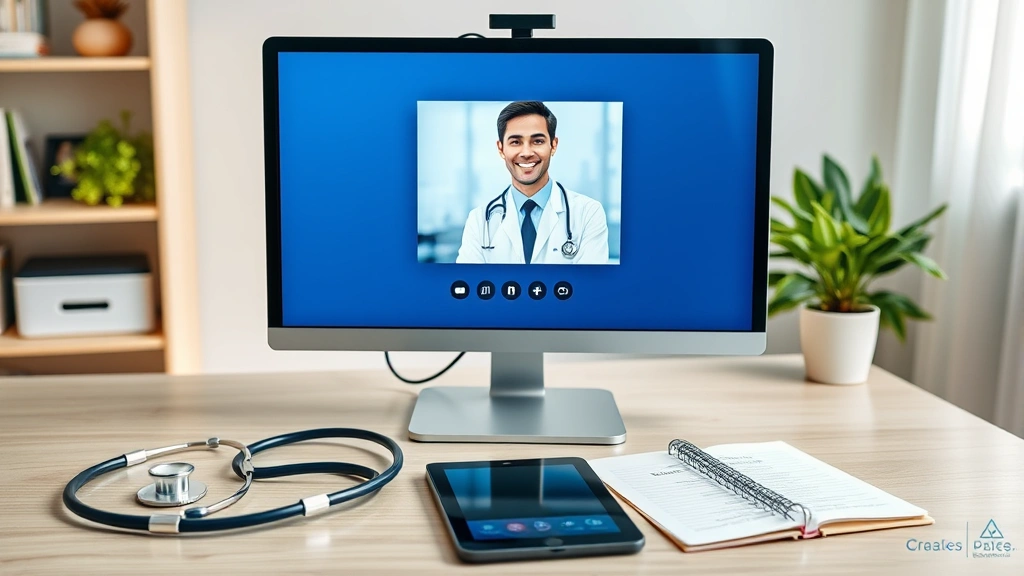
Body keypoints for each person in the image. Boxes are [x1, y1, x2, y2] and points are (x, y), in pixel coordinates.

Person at [456, 101, 610, 264]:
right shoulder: (479, 220)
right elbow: (469, 283)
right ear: (501, 149)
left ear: (553, 145)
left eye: (537, 141)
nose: (527, 153)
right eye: (515, 142)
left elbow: (591, 286)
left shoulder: (588, 213)